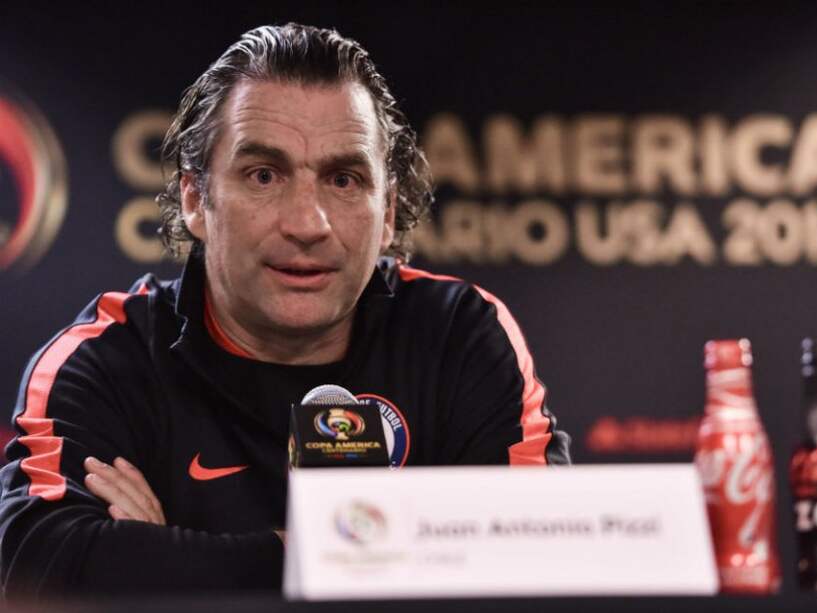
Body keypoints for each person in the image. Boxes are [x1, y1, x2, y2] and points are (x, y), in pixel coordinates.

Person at [0, 23, 570, 597]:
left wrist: (169, 556)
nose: (307, 224)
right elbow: (36, 567)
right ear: (196, 198)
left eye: (344, 179)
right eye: (264, 175)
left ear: (389, 213)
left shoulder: (460, 333)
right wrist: (380, 556)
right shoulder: (104, 360)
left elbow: (542, 559)